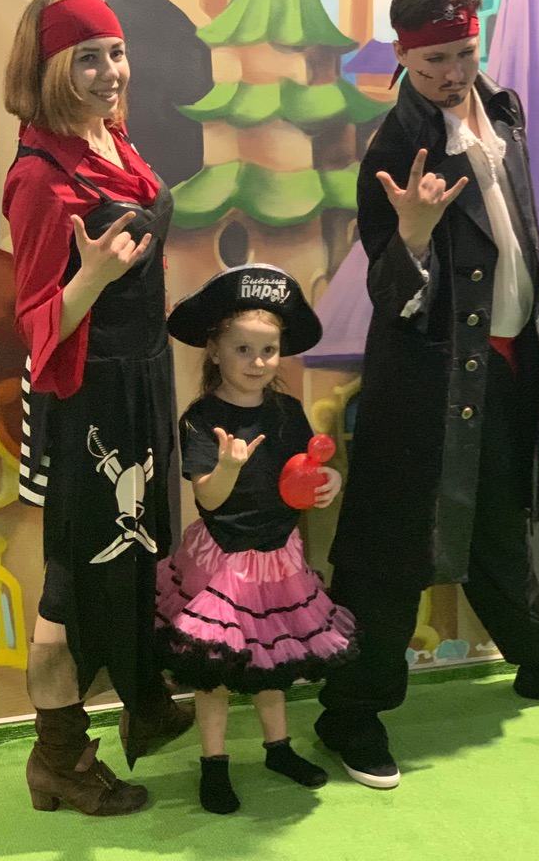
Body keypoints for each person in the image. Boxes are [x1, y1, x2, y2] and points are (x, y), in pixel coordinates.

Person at [315, 0, 539, 791]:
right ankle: (349, 713)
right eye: (433, 62)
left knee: (498, 523)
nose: (452, 74)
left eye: (462, 53)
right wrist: (412, 237)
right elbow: (392, 298)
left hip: (507, 362)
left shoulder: (503, 110)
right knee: (390, 547)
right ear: (403, 57)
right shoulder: (394, 148)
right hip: (426, 380)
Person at [3, 0, 193, 816]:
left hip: (136, 385)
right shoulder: (39, 177)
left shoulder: (109, 138)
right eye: (87, 58)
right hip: (81, 402)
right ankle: (59, 759)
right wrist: (91, 277)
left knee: (135, 553)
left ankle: (143, 701)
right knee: (69, 586)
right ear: (49, 69)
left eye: (115, 52)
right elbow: (36, 322)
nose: (111, 71)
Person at [158, 264, 356, 814]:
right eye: (242, 349)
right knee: (216, 673)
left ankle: (278, 749)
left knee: (272, 662)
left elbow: (306, 471)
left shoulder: (287, 411)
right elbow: (209, 499)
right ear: (215, 351)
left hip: (279, 559)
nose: (257, 362)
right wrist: (227, 465)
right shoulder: (202, 418)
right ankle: (214, 764)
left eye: (268, 350)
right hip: (223, 564)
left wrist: (329, 482)